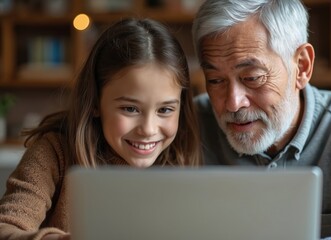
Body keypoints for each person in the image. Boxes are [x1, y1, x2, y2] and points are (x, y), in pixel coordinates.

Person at [192, 0, 331, 239]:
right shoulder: (189, 126)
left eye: (252, 77)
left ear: (301, 67)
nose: (233, 103)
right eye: (216, 80)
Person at [0, 18, 201, 240]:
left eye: (165, 110)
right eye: (130, 108)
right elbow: (6, 228)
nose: (148, 129)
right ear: (95, 101)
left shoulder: (180, 161)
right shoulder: (54, 152)